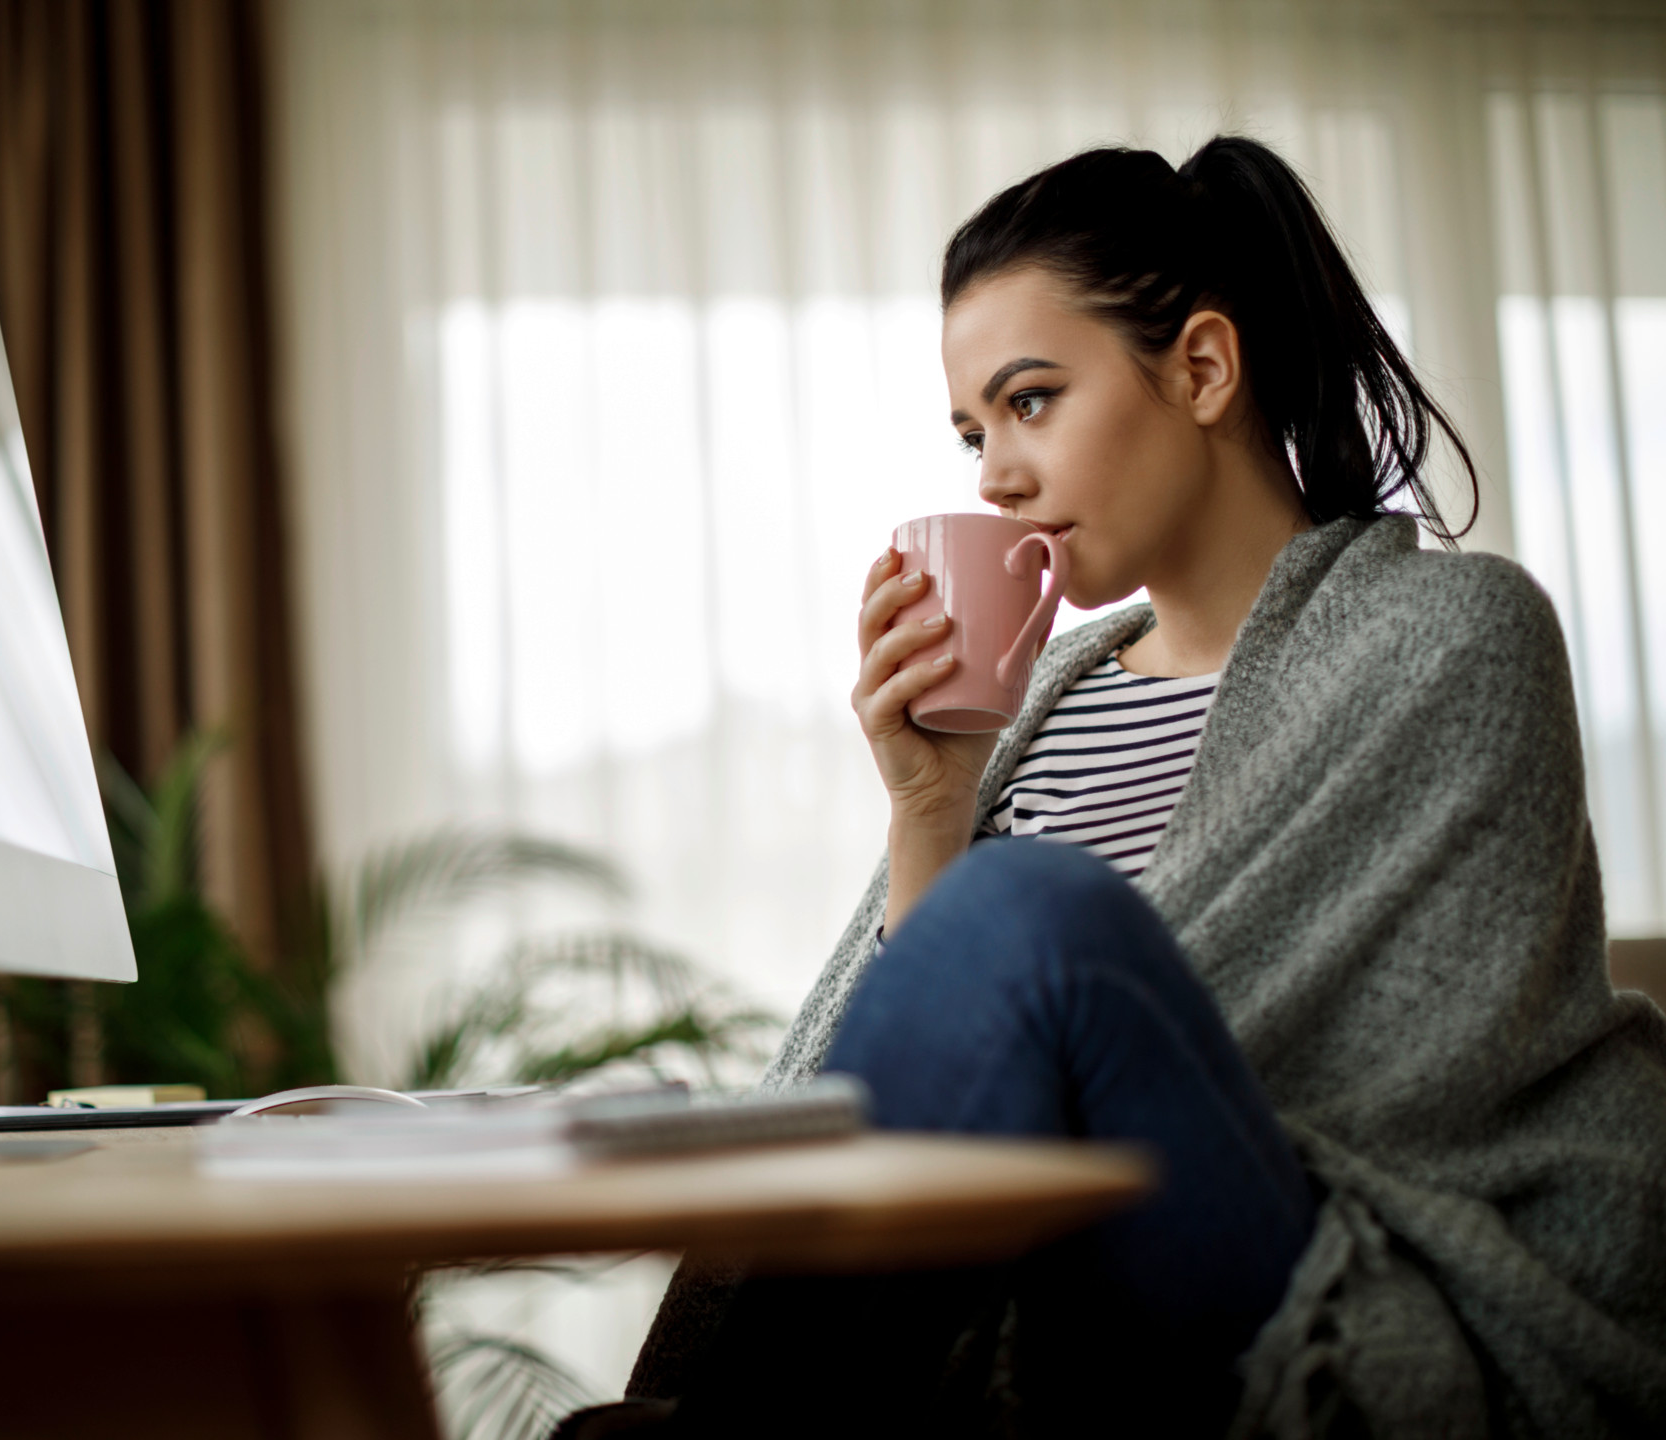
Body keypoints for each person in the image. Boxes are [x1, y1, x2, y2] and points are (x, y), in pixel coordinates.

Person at [561, 138, 1666, 1438]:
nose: (993, 476)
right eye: (973, 432)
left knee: (1028, 911)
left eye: (1031, 402)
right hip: (1011, 1288)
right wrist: (931, 807)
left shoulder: (1449, 635)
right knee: (1009, 914)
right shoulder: (1039, 701)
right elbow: (929, 1083)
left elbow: (1390, 1065)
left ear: (1201, 368)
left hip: (1325, 1264)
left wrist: (1012, 920)